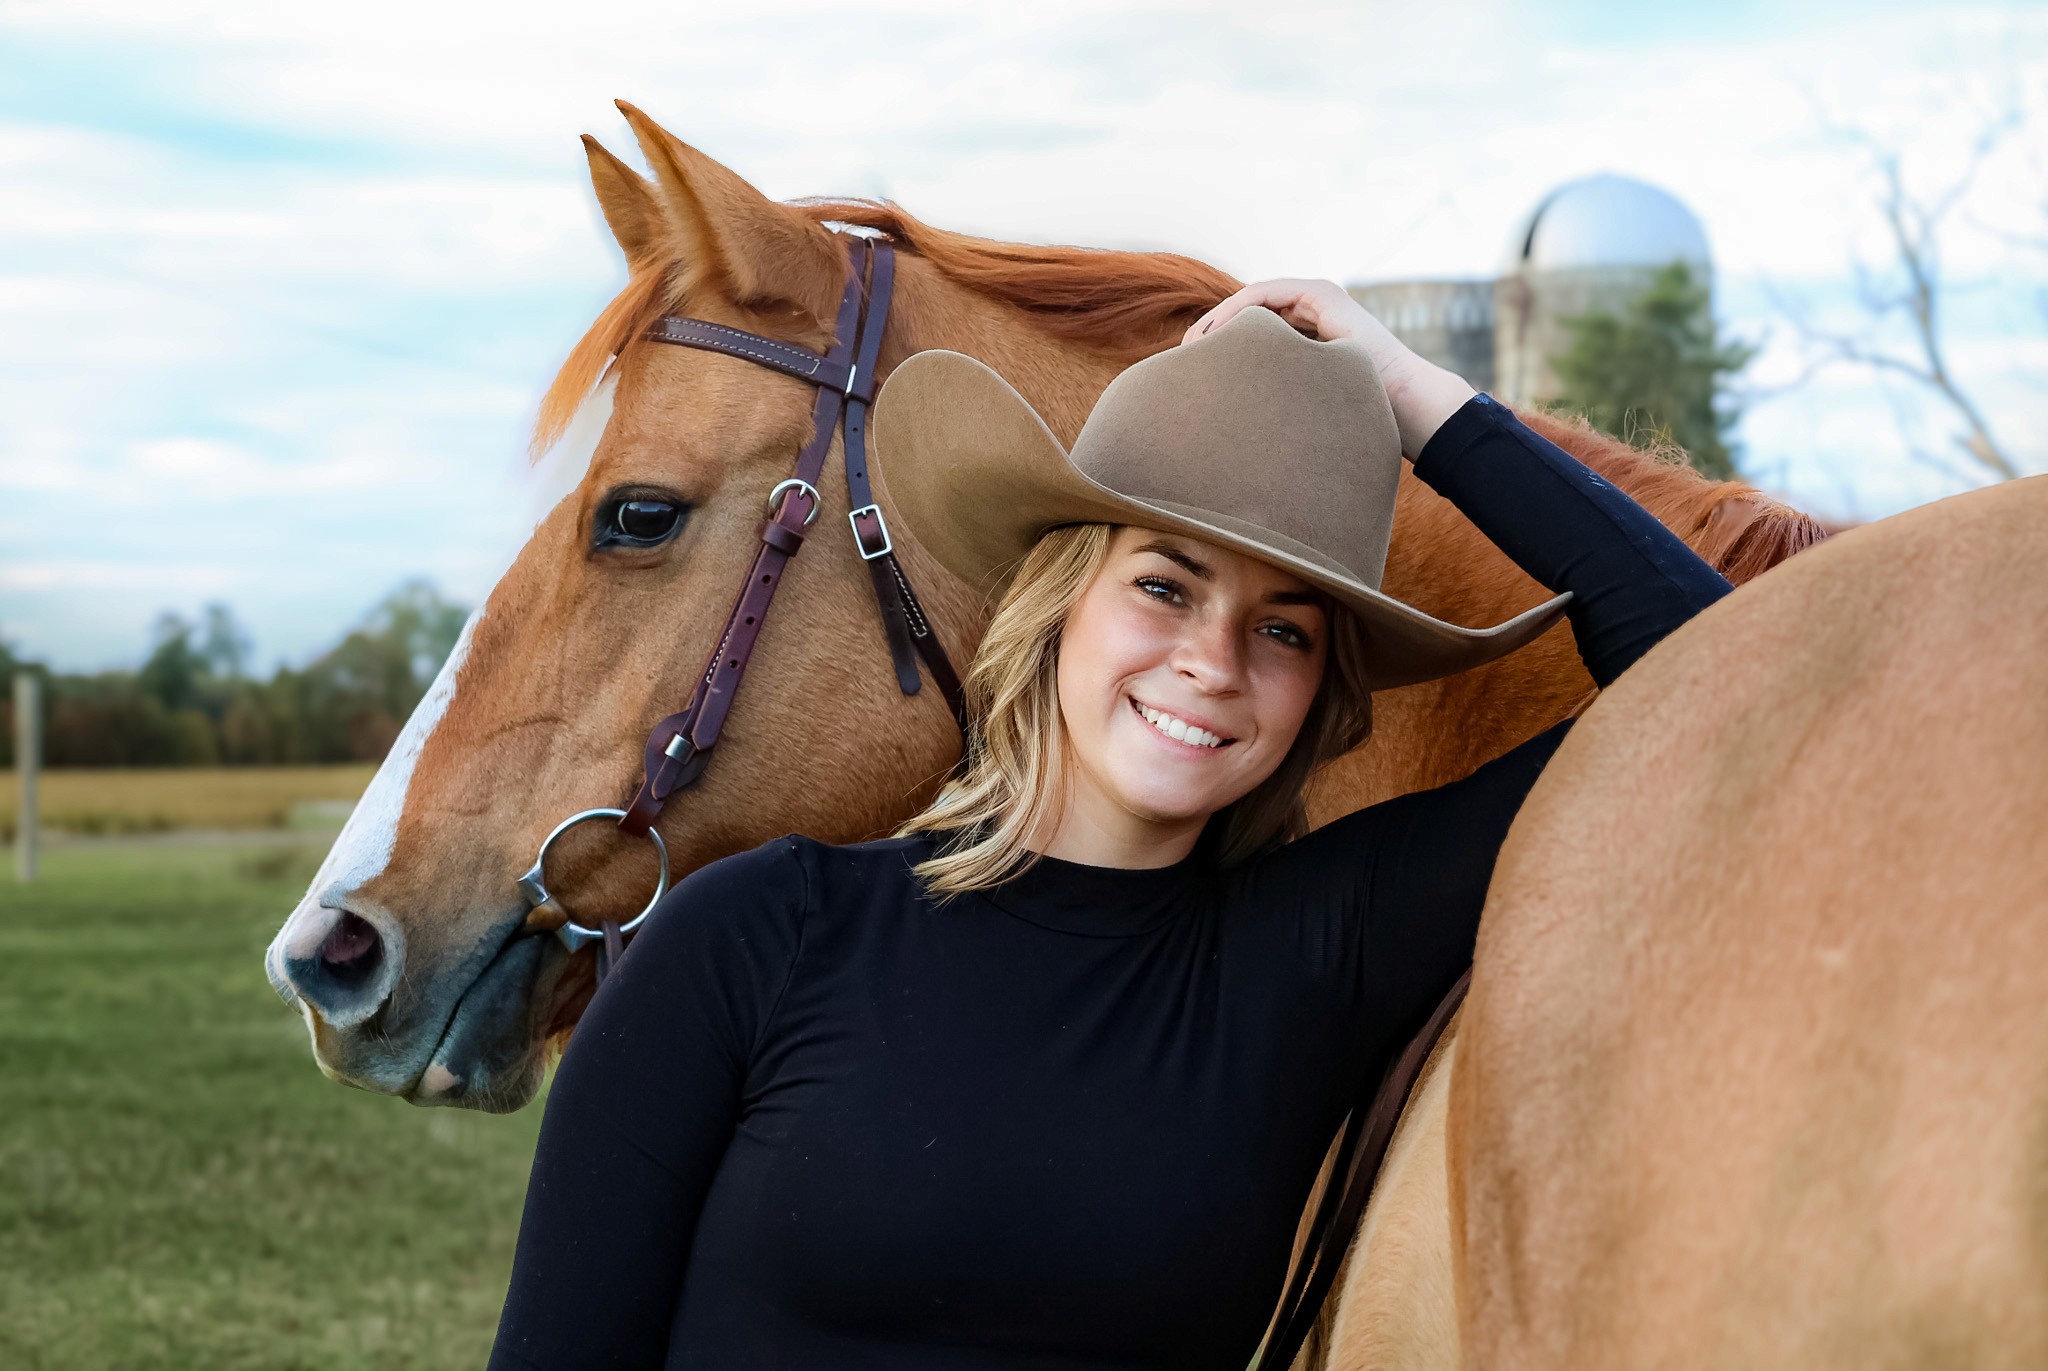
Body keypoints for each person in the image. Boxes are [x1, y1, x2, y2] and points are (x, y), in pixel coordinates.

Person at [486, 280, 1733, 1370]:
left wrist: (1414, 396)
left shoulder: (1316, 954)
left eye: (1282, 629)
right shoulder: (758, 935)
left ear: (1316, 695)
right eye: (1162, 585)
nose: (1211, 662)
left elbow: (1718, 673)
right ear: (1059, 600)